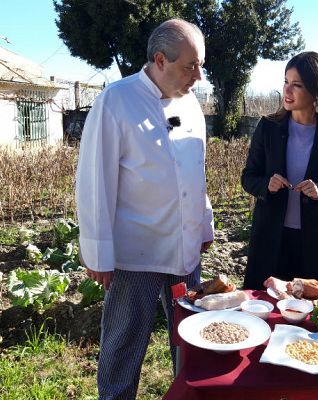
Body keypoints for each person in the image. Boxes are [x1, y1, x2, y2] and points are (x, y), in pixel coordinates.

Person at [75, 18, 213, 400]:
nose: (198, 76)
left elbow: (195, 170)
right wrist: (98, 252)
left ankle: (188, 394)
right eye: (190, 65)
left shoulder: (192, 104)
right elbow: (94, 180)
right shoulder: (117, 101)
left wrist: (204, 226)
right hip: (135, 253)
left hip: (184, 249)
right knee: (124, 341)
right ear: (160, 60)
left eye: (201, 64)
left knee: (189, 336)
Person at [241, 51, 318, 290]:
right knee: (265, 312)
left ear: (316, 90)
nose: (287, 90)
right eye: (286, 82)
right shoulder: (268, 127)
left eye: (297, 85)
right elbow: (248, 176)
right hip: (271, 241)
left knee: (310, 316)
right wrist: (267, 185)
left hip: (315, 246)